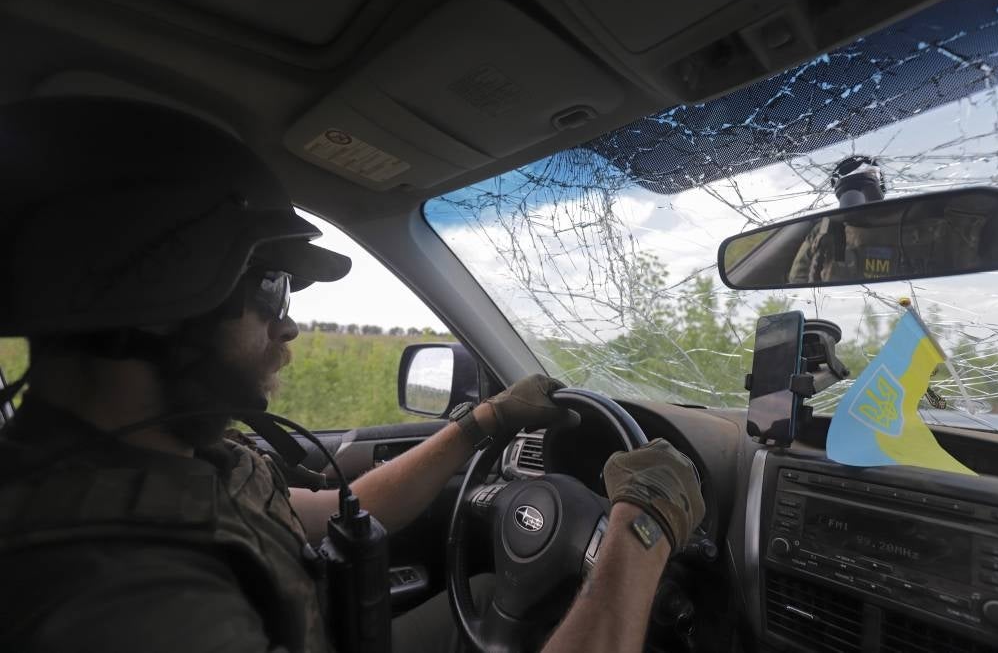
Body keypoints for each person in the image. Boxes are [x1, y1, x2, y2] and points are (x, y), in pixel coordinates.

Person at [0, 96, 705, 653]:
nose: (289, 326)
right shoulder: (131, 602)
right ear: (160, 302)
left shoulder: (170, 456)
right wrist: (641, 534)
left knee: (495, 595)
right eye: (271, 288)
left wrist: (485, 422)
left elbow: (341, 512)